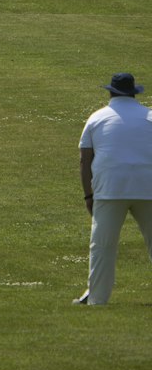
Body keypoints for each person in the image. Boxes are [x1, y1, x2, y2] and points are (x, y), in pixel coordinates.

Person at [74, 72, 152, 306]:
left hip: (110, 188)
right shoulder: (150, 116)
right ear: (133, 93)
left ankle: (97, 298)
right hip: (148, 186)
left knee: (102, 246)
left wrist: (88, 195)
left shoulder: (96, 118)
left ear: (111, 92)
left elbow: (84, 160)